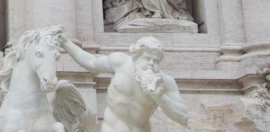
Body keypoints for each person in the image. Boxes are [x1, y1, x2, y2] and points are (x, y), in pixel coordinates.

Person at [59, 35, 189, 132]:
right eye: (147, 58)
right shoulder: (120, 63)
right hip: (112, 128)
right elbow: (91, 62)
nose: (151, 64)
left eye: (156, 61)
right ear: (136, 56)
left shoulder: (164, 82)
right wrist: (66, 42)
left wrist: (159, 97)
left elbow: (183, 117)